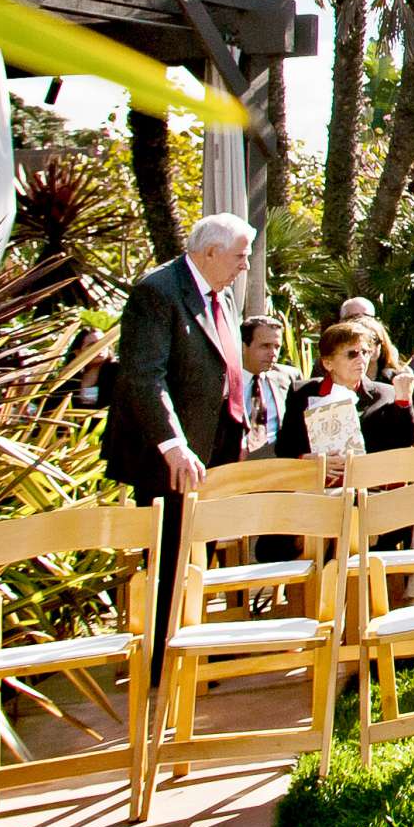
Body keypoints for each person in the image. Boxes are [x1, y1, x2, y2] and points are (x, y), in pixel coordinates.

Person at [99, 212, 256, 662]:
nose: (245, 266)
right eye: (240, 256)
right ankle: (162, 660)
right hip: (169, 454)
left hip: (216, 444)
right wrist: (172, 444)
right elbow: (143, 376)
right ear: (210, 253)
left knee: (201, 546)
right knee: (169, 556)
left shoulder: (221, 294)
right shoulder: (157, 292)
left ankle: (199, 643)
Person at [276, 321, 414, 474]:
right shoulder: (302, 392)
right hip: (316, 486)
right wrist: (308, 460)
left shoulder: (387, 393)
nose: (361, 359)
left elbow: (403, 442)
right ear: (328, 363)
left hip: (372, 485)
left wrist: (403, 400)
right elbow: (285, 448)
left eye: (365, 352)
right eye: (352, 354)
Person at [237, 314, 292, 461]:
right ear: (244, 346)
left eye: (277, 347)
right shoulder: (224, 382)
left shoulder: (288, 379)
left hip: (278, 464)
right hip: (235, 464)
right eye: (265, 346)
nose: (273, 353)